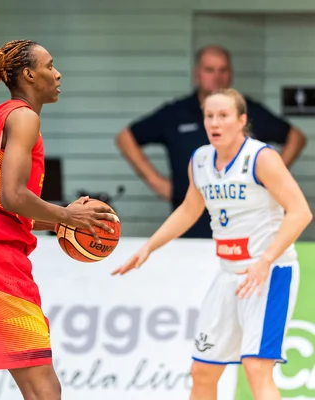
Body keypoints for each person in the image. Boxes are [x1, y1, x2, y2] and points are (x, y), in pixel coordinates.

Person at [0, 40, 116, 400]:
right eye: (50, 65)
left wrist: (66, 222)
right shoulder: (25, 117)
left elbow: (1, 205)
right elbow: (12, 196)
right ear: (30, 74)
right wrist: (66, 213)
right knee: (43, 389)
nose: (58, 73)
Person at [112, 88, 312, 400]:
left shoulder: (261, 158)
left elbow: (300, 212)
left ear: (241, 120)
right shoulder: (201, 160)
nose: (214, 122)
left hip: (269, 273)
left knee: (257, 368)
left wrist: (265, 261)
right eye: (209, 116)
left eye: (223, 116)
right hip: (228, 275)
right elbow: (190, 210)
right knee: (202, 371)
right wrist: (149, 246)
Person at [115, 44, 307, 239]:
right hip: (192, 225)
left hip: (244, 226)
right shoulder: (177, 114)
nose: (217, 76)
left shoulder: (248, 111)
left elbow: (296, 138)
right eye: (209, 70)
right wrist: (156, 182)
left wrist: (271, 177)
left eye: (223, 70)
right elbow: (126, 137)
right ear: (197, 73)